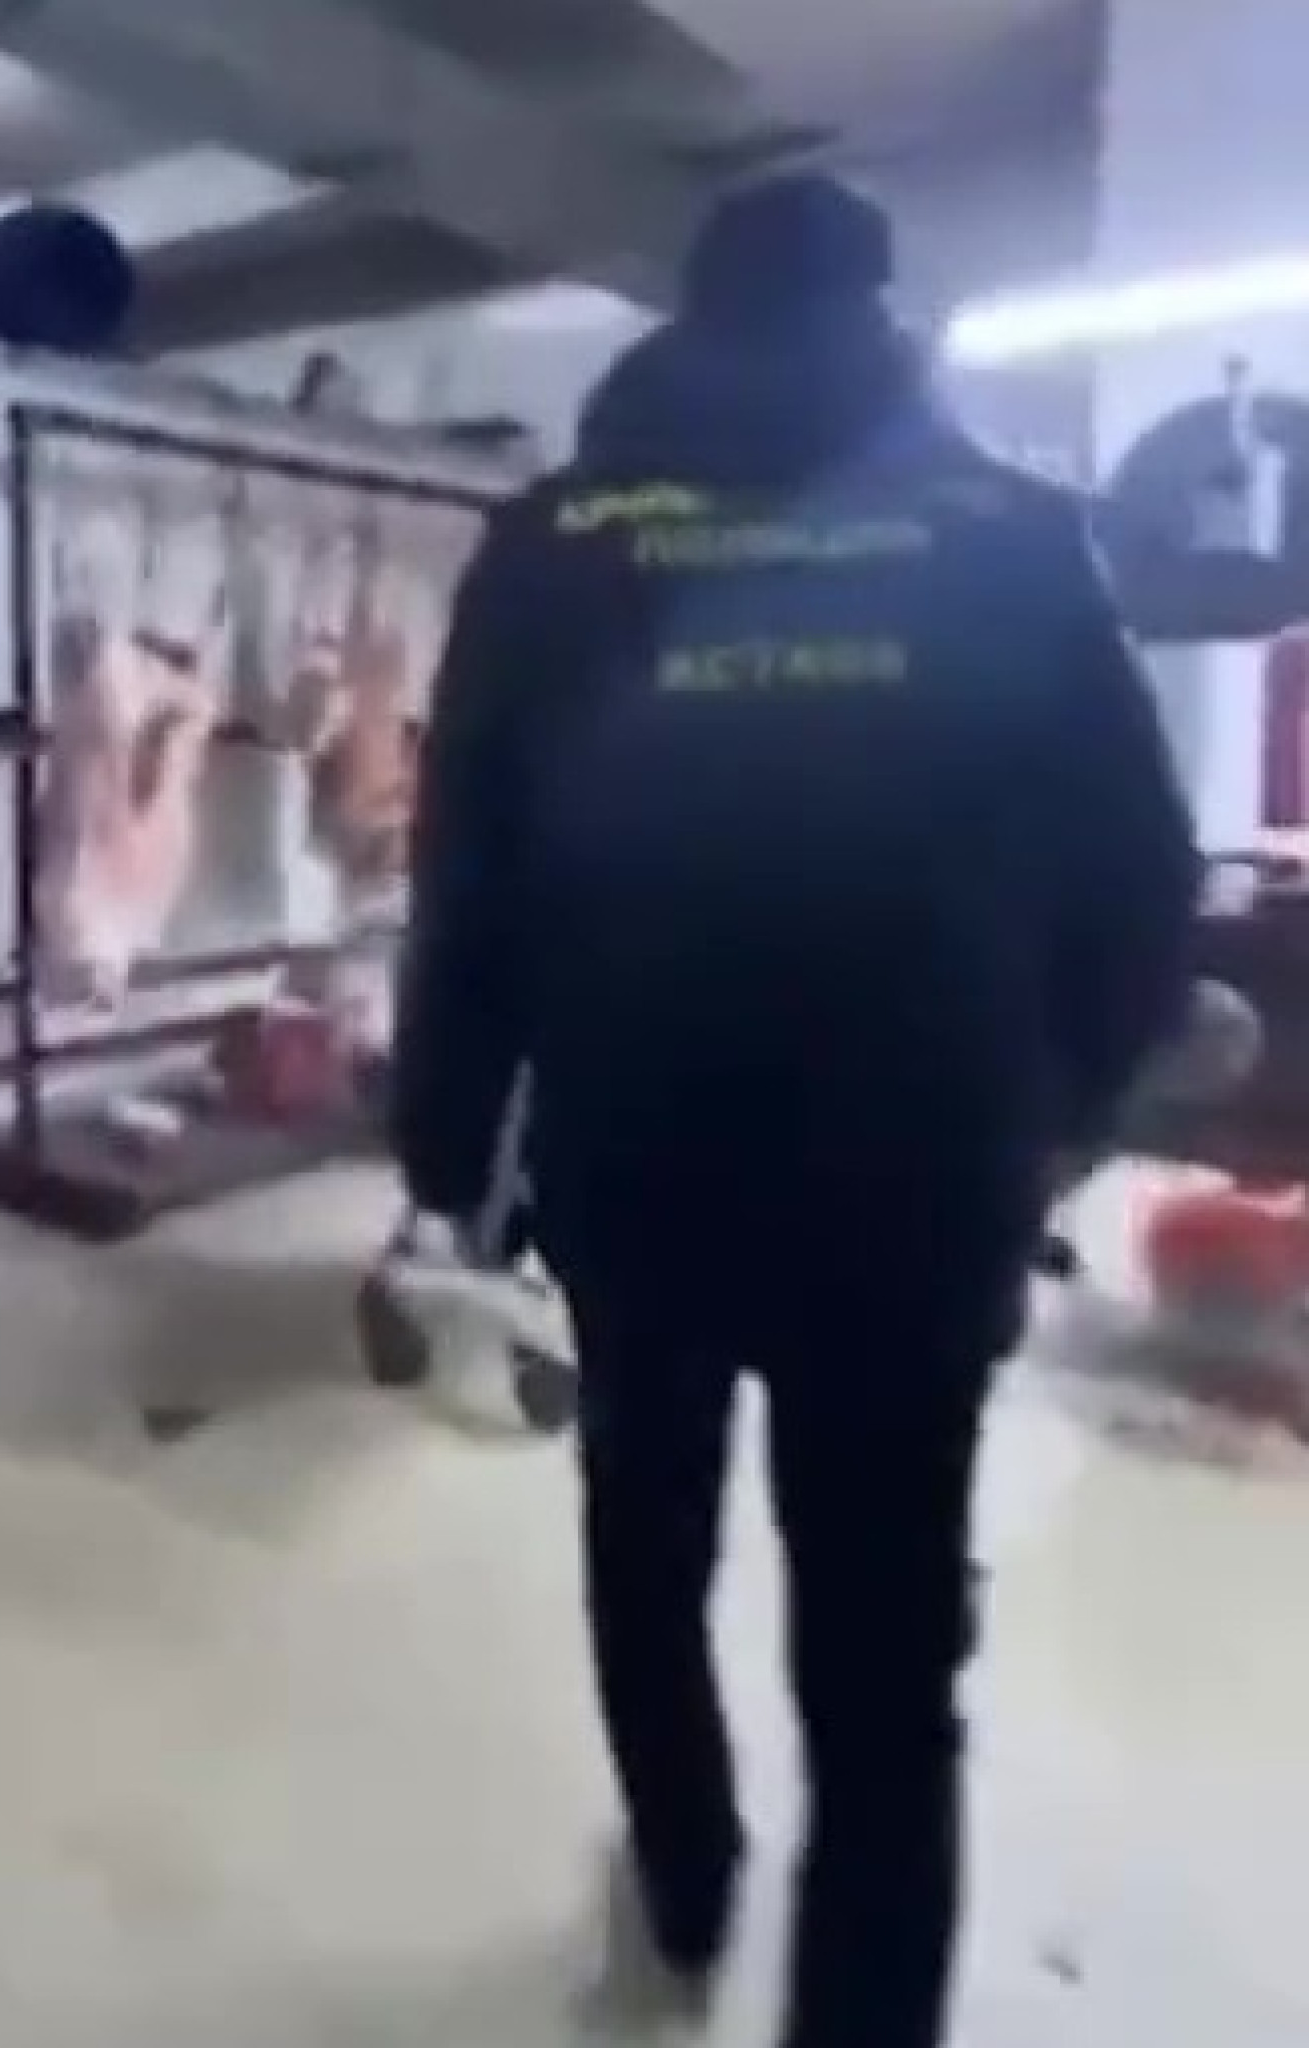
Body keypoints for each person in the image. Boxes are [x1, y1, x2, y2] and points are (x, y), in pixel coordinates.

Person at [389, 174, 1198, 2048]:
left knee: (645, 1539)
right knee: (888, 1653)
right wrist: (1058, 1112)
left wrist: (448, 1148)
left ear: (689, 311)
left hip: (638, 1158)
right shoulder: (1009, 538)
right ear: (881, 313)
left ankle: (686, 1879)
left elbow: (469, 878)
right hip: (917, 1180)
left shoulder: (553, 542)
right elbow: (1143, 881)